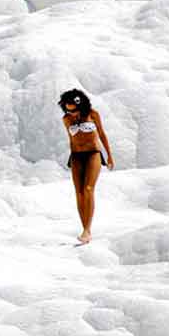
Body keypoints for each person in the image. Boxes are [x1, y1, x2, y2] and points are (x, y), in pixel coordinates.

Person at [58, 88, 114, 244]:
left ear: (80, 106)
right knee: (79, 192)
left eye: (74, 110)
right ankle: (84, 230)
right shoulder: (66, 119)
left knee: (88, 189)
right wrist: (71, 158)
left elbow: (102, 134)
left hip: (93, 154)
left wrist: (109, 156)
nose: (72, 114)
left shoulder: (93, 114)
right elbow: (71, 139)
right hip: (76, 156)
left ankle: (87, 229)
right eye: (68, 111)